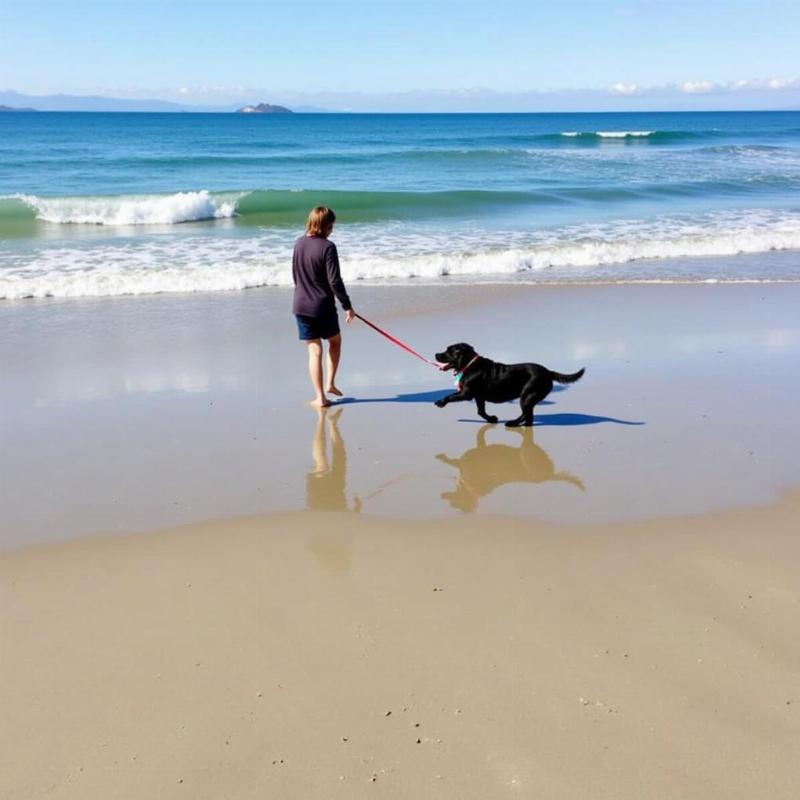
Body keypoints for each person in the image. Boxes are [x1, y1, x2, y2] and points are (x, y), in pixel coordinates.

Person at [292, 206, 355, 407]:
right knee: (335, 341)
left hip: (300, 305)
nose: (332, 229)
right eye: (331, 226)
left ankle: (320, 397)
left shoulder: (298, 243)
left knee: (314, 351)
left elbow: (295, 275)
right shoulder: (328, 247)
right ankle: (330, 383)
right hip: (322, 306)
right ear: (326, 226)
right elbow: (334, 281)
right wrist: (347, 305)